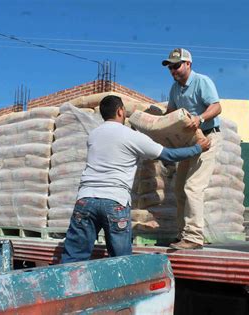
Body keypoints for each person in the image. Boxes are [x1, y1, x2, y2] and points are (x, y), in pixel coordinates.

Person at [60, 95, 210, 263]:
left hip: (85, 201)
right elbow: (169, 154)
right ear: (120, 111)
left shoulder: (94, 135)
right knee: (121, 262)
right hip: (114, 201)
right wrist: (197, 148)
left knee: (73, 258)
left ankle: (67, 287)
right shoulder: (131, 136)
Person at [162, 48, 222, 250]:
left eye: (176, 65)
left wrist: (200, 118)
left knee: (193, 186)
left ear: (188, 64)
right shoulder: (174, 89)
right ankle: (183, 234)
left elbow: (216, 106)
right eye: (170, 67)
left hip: (207, 137)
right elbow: (171, 112)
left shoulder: (201, 81)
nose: (173, 70)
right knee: (179, 189)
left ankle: (195, 237)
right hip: (188, 142)